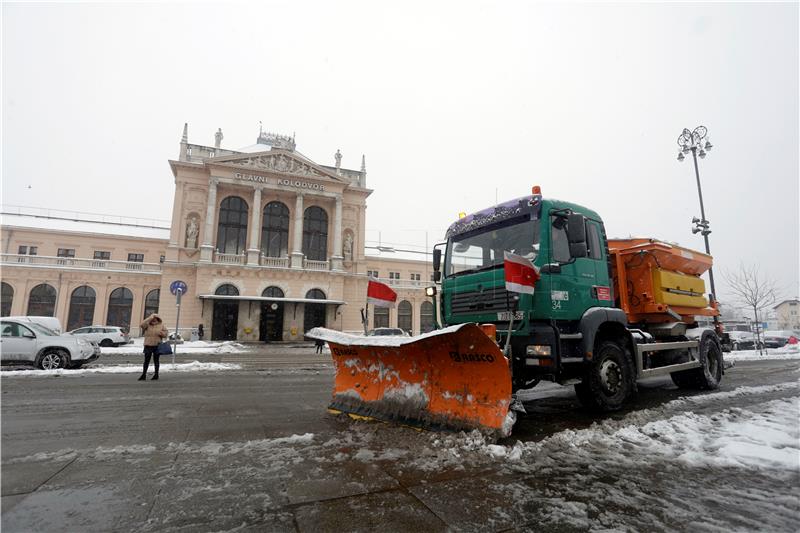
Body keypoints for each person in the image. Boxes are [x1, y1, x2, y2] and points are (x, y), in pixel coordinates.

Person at [140, 313, 167, 381]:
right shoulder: (147, 325)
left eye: (155, 318)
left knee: (156, 361)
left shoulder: (161, 325)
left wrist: (162, 333)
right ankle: (143, 374)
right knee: (146, 361)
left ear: (158, 319)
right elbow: (141, 325)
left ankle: (156, 374)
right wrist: (149, 318)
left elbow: (166, 333)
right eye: (153, 318)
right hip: (148, 345)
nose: (154, 319)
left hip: (157, 345)